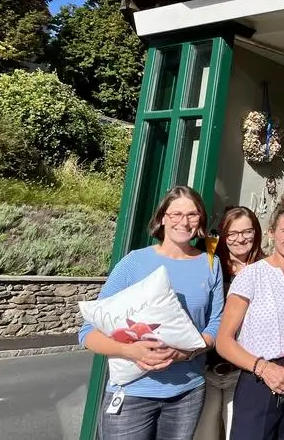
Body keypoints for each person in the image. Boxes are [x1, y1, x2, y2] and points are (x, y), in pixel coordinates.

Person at [80, 186, 224, 440]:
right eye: (176, 214)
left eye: (192, 214)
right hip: (131, 393)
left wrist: (188, 352)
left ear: (200, 219)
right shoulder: (134, 262)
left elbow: (215, 323)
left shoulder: (210, 264)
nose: (184, 222)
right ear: (162, 218)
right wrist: (129, 351)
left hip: (187, 394)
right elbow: (88, 332)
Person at [216, 194, 284, 440]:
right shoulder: (251, 276)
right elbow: (223, 341)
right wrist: (263, 368)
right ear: (272, 233)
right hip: (259, 380)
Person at [194, 206, 265, 440]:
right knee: (204, 434)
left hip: (243, 371)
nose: (240, 239)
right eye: (232, 233)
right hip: (205, 368)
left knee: (237, 432)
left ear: (256, 233)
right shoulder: (211, 264)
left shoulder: (265, 269)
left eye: (247, 232)